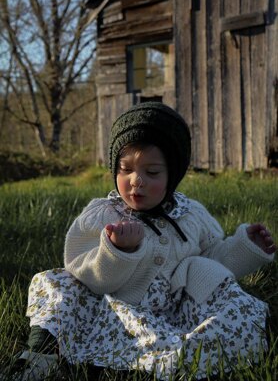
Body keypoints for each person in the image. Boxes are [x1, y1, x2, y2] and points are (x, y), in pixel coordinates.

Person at [10, 102, 276, 380]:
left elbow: (212, 261)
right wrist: (116, 251)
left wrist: (245, 247)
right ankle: (43, 352)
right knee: (59, 285)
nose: (136, 181)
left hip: (171, 312)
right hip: (111, 306)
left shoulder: (191, 214)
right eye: (125, 169)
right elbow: (84, 271)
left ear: (173, 175)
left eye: (152, 173)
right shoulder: (104, 214)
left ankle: (162, 358)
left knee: (229, 302)